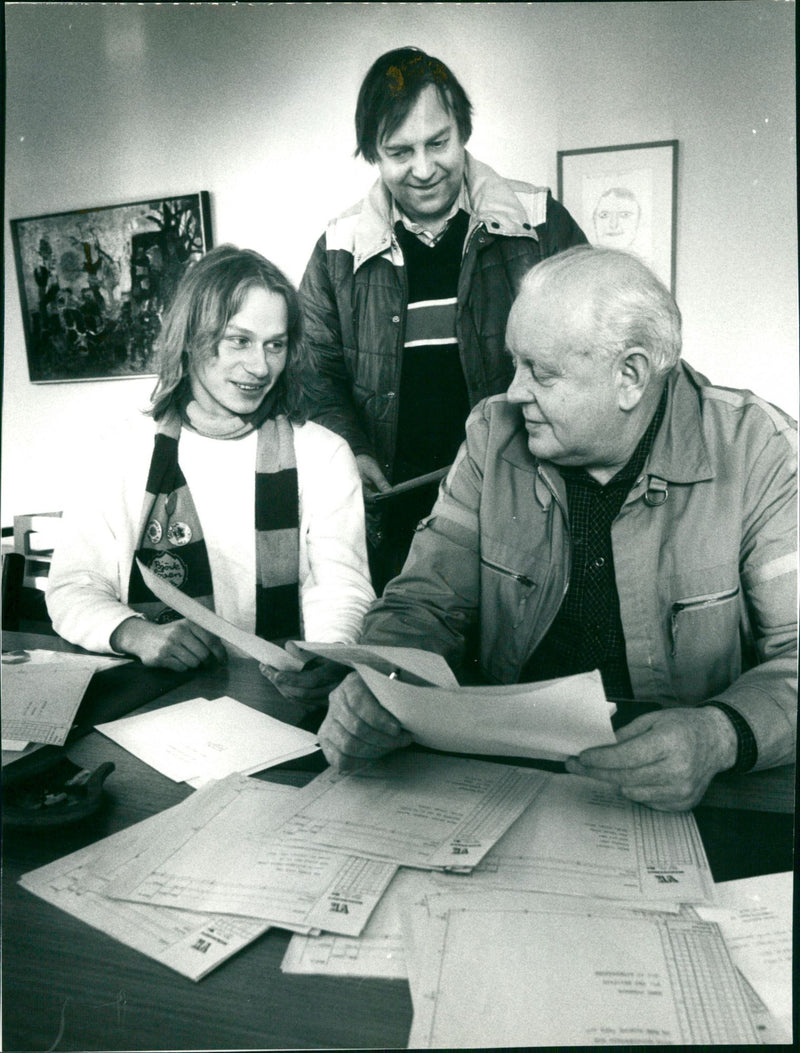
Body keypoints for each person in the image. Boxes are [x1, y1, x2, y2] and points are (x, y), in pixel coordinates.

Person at [318, 246, 797, 812]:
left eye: (541, 373)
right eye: (514, 364)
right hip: (508, 780)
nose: (514, 392)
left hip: (692, 790)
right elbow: (423, 604)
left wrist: (719, 736)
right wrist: (379, 684)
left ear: (631, 376)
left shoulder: (758, 450)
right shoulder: (492, 435)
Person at [299, 46, 586, 590]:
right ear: (372, 154)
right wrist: (351, 452)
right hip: (396, 518)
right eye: (399, 151)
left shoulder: (542, 222)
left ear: (463, 131)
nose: (424, 169)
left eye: (438, 143)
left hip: (528, 503)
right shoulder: (335, 249)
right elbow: (314, 378)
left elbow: (592, 349)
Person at [47, 245, 375, 700]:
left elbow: (341, 586)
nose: (260, 367)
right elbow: (72, 587)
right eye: (238, 340)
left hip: (282, 700)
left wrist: (327, 654)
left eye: (275, 345)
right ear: (190, 338)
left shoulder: (324, 454)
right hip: (152, 705)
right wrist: (133, 632)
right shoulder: (118, 451)